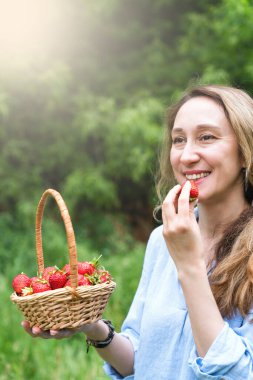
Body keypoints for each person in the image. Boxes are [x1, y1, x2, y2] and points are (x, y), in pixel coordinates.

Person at [22, 84, 253, 379]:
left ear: (245, 150)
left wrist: (190, 266)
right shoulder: (162, 240)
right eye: (178, 140)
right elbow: (141, 360)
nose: (187, 156)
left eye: (206, 137)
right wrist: (90, 324)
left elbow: (239, 374)